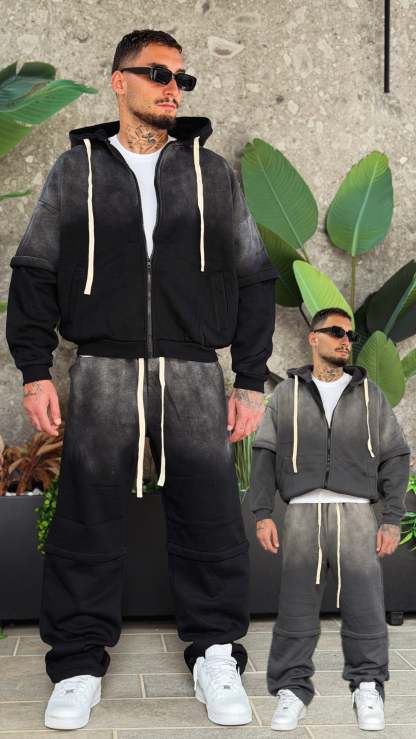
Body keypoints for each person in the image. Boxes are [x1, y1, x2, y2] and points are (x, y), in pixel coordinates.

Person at [6, 29, 278, 731]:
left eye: (181, 78)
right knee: (86, 517)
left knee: (210, 517)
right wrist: (35, 370)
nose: (172, 87)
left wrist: (251, 380)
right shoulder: (76, 170)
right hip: (101, 369)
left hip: (193, 370)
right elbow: (34, 269)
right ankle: (76, 664)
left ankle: (215, 653)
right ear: (118, 81)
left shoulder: (212, 173)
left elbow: (255, 277)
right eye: (157, 73)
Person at [249, 307, 410, 732]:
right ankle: (291, 690)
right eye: (336, 332)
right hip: (301, 514)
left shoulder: (370, 395)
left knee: (365, 605)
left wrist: (392, 518)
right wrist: (262, 513)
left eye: (350, 335)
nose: (345, 340)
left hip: (357, 513)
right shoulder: (287, 395)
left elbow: (395, 456)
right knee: (296, 608)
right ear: (313, 337)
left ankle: (368, 686)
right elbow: (264, 454)